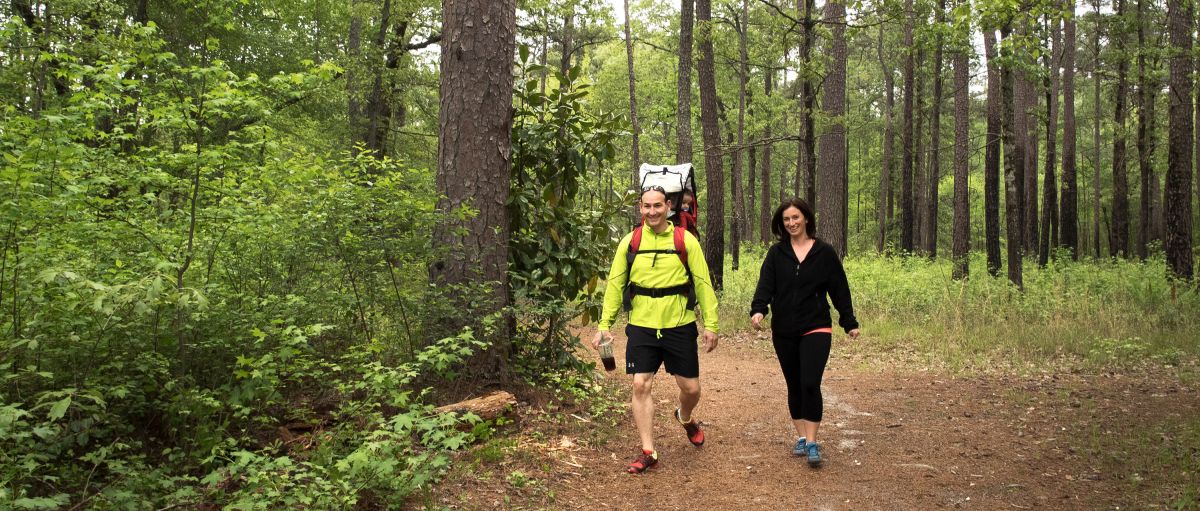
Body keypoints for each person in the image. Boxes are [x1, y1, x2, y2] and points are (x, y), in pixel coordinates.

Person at [592, 185, 719, 474]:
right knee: (640, 384)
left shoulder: (685, 240)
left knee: (691, 389)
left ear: (668, 206)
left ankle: (685, 417)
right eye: (647, 206)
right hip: (641, 326)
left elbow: (702, 283)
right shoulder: (631, 242)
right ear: (640, 208)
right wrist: (604, 325)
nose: (652, 212)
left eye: (657, 206)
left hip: (679, 324)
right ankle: (648, 450)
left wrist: (711, 324)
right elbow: (615, 285)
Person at [750, 197, 860, 467]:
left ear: (806, 218)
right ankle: (801, 437)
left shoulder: (824, 252)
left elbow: (839, 288)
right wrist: (759, 309)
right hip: (784, 328)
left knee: (810, 382)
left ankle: (812, 442)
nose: (791, 223)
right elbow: (766, 284)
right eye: (786, 219)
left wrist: (849, 321)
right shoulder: (777, 254)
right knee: (794, 383)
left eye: (796, 218)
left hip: (816, 326)